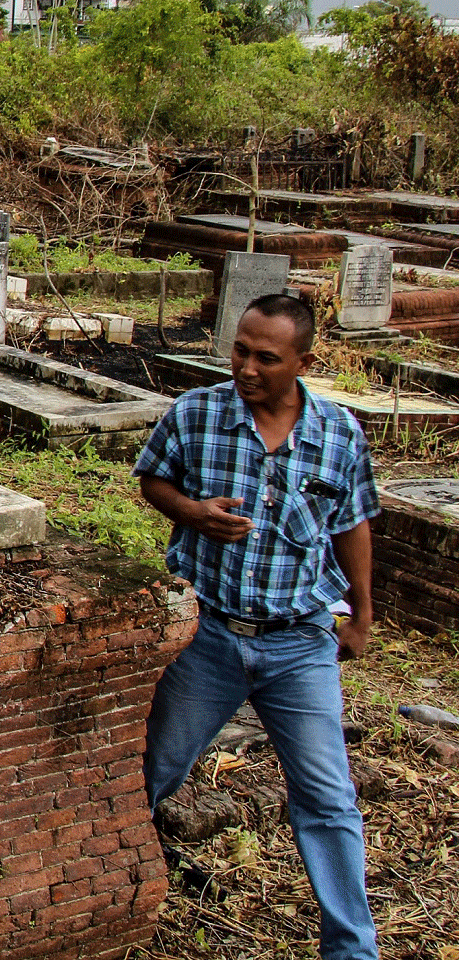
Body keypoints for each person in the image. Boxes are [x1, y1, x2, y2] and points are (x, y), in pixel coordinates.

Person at [135, 292, 380, 960]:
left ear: (304, 360)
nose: (245, 366)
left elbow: (352, 522)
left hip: (298, 640)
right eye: (240, 349)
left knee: (327, 796)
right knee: (153, 767)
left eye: (265, 357)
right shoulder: (199, 413)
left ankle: (353, 947)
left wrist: (361, 612)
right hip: (209, 632)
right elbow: (151, 479)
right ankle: (115, 886)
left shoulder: (338, 433)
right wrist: (192, 510)